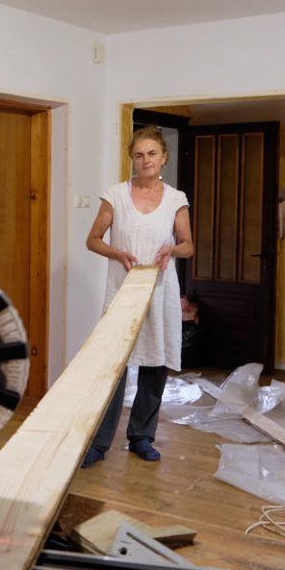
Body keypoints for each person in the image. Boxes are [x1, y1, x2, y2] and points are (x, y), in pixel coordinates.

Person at [81, 126, 194, 467]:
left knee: (155, 363)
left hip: (160, 290)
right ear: (132, 158)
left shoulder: (176, 199)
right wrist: (118, 253)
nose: (146, 160)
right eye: (139, 155)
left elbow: (188, 246)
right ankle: (100, 442)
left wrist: (172, 249)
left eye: (152, 154)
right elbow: (93, 240)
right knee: (114, 366)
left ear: (164, 157)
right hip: (123, 290)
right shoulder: (115, 195)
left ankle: (141, 438)